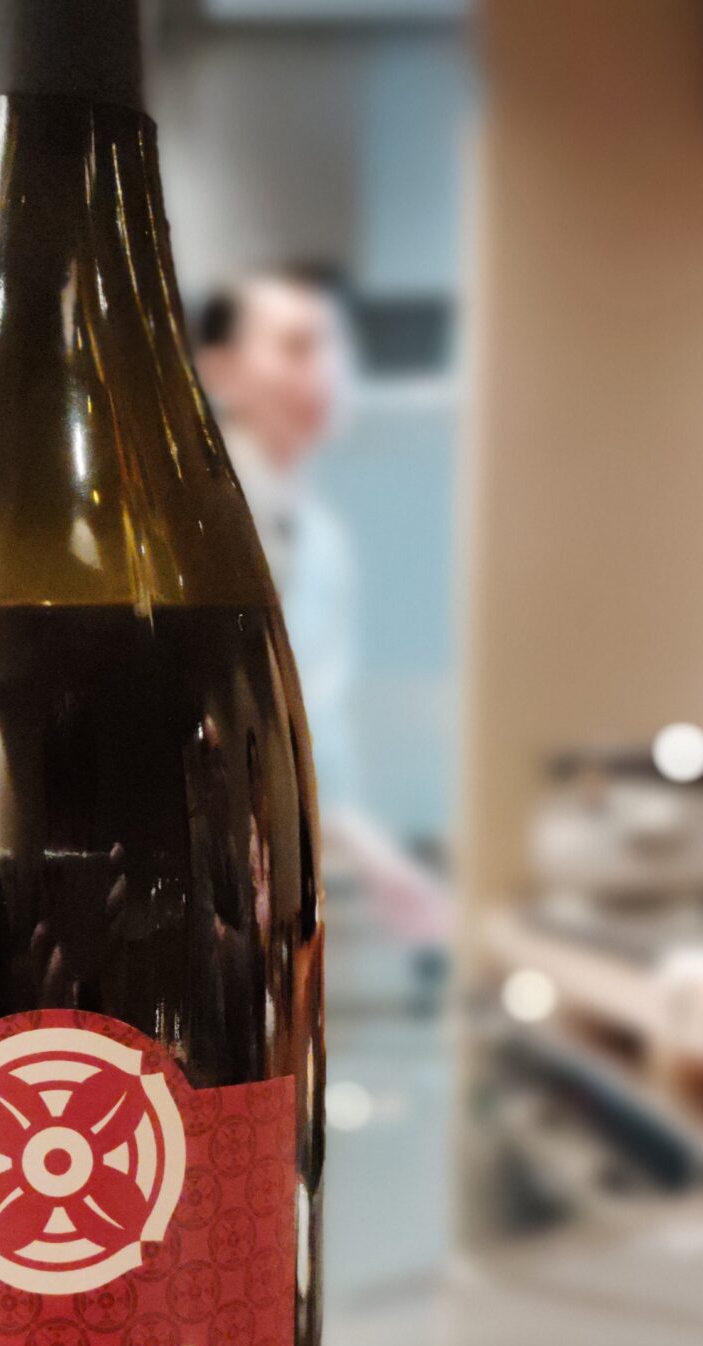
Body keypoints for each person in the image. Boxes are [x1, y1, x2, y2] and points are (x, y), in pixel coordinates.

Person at [196, 268, 449, 952]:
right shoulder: (194, 523)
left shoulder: (323, 537)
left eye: (337, 347)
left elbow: (318, 727)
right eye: (298, 347)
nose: (328, 371)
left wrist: (375, 857)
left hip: (279, 868)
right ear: (220, 371)